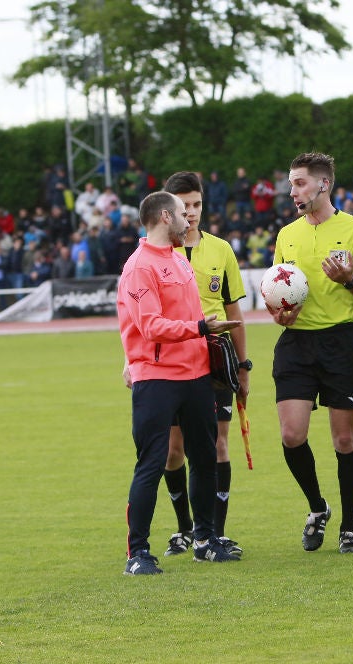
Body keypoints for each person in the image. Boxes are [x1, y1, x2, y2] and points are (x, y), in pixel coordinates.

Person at [118, 190, 242, 575]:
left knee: (204, 459)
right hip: (157, 378)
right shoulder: (140, 267)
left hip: (196, 375)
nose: (190, 218)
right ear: (163, 217)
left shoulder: (177, 259)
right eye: (181, 212)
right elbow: (149, 326)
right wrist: (202, 328)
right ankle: (137, 553)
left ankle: (204, 540)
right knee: (152, 463)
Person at [269, 151, 353, 554]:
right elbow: (276, 291)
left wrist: (349, 279)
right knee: (291, 433)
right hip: (296, 342)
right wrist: (279, 313)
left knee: (345, 441)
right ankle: (317, 507)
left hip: (342, 342)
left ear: (323, 184)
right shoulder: (286, 235)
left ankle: (349, 527)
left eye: (299, 182)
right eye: (290, 183)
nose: (293, 191)